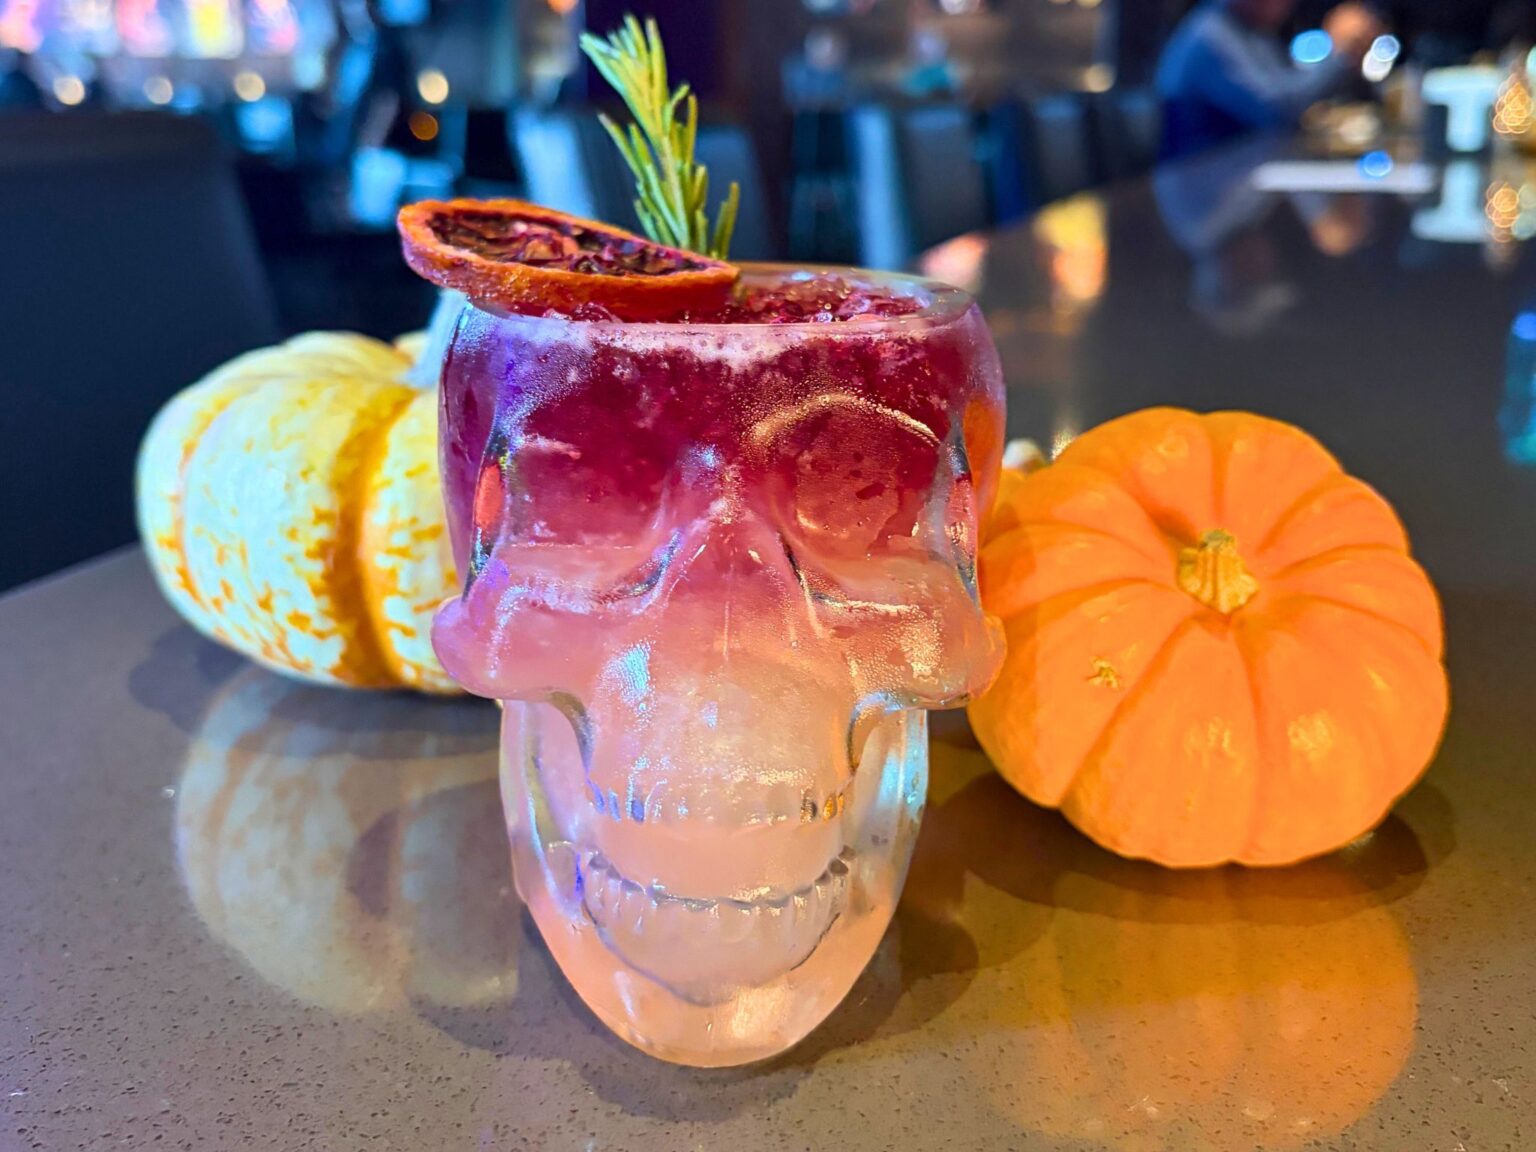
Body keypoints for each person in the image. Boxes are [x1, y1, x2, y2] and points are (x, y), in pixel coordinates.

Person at [1157, 0, 1384, 160]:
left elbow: (1290, 83)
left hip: (1235, 177)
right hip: (1202, 190)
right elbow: (1279, 110)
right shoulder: (1213, 36)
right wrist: (1341, 51)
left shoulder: (1248, 31)